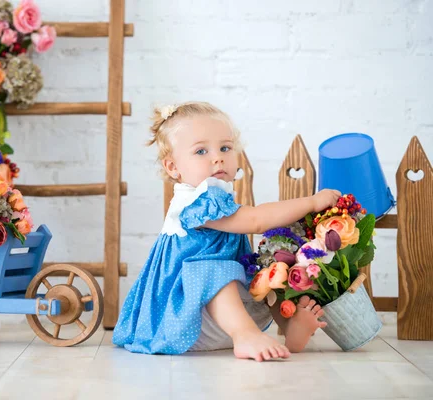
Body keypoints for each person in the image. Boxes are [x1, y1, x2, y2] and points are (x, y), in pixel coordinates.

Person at [112, 101, 340, 361]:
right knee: (212, 269)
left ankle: (290, 328)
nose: (217, 157)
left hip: (224, 313)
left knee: (270, 271)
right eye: (201, 151)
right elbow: (255, 220)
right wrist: (311, 202)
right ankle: (245, 335)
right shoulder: (195, 202)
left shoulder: (217, 195)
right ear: (173, 167)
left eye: (225, 147)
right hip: (187, 315)